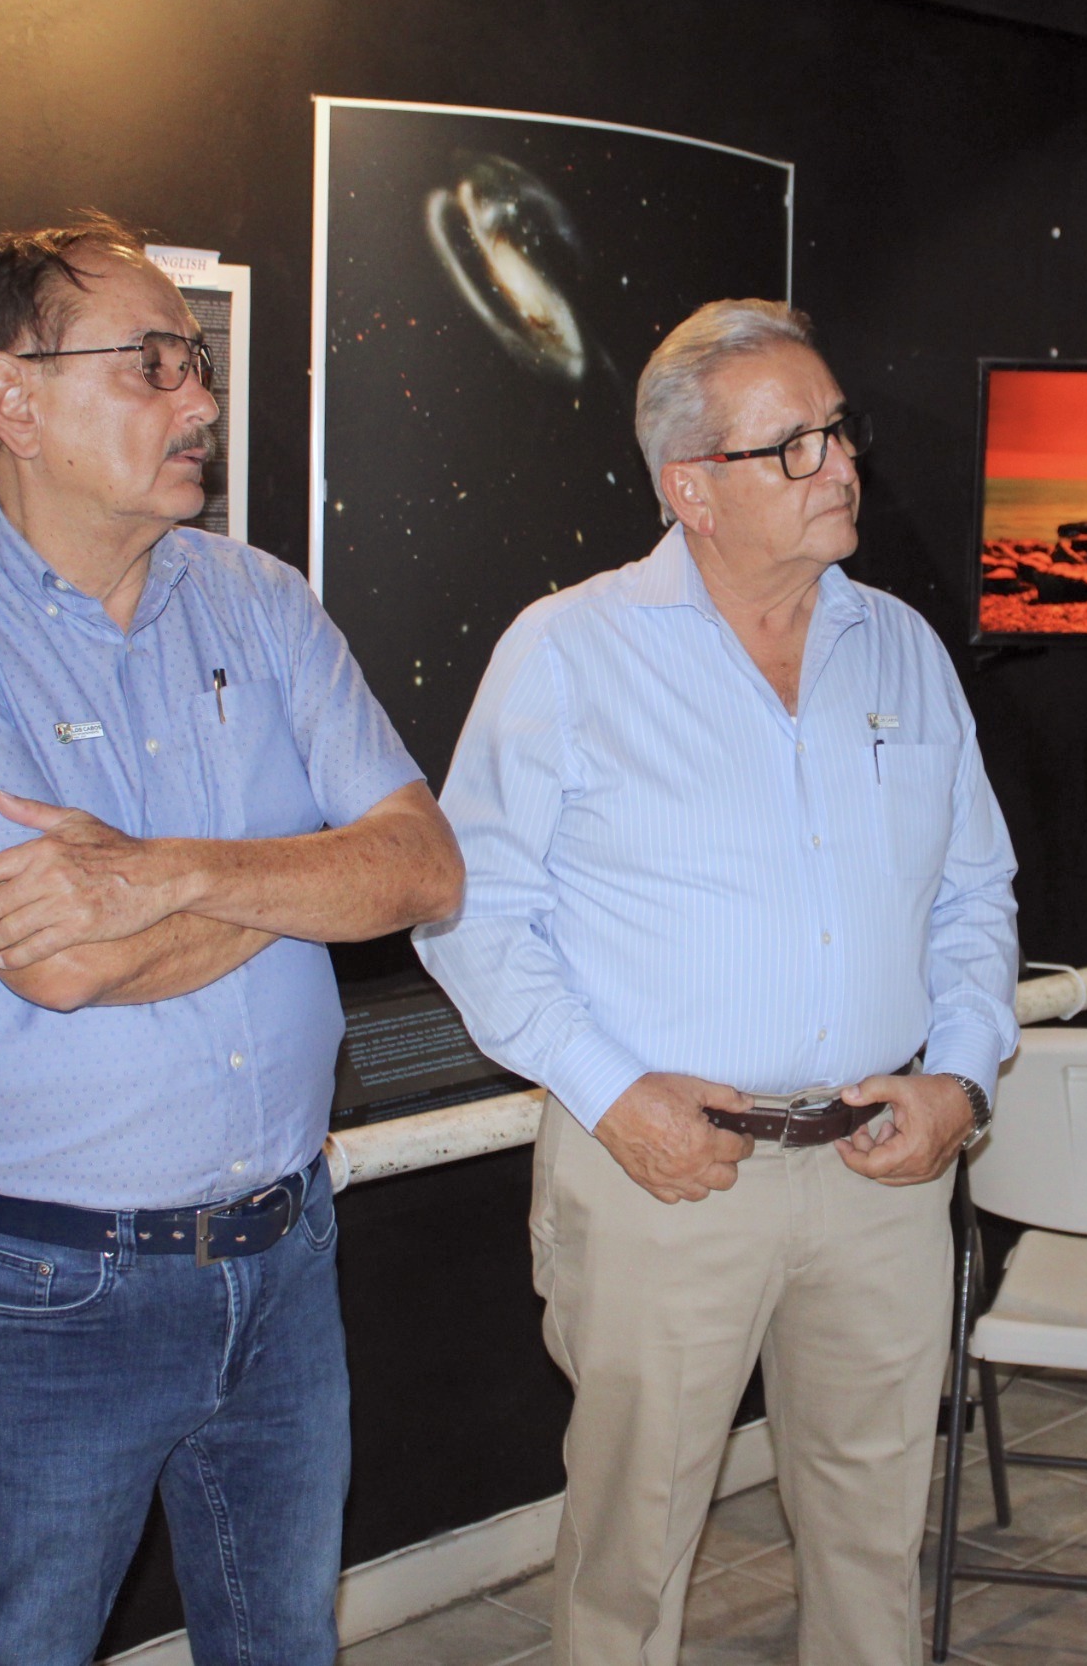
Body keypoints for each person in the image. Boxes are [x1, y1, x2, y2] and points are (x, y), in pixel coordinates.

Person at [0, 216, 463, 1666]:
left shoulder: (260, 599)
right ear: (12, 400)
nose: (203, 402)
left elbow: (419, 866)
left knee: (281, 1639)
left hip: (286, 1250)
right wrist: (299, 888)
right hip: (45, 1282)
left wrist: (158, 873)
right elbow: (63, 962)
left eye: (199, 362)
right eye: (154, 364)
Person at [419, 299, 1019, 1666]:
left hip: (880, 1170)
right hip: (662, 1172)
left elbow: (975, 893)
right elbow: (470, 913)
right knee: (632, 1549)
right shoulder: (567, 654)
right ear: (691, 487)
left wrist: (962, 1076)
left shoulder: (904, 653)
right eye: (793, 446)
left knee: (876, 1536)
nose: (842, 466)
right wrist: (613, 1093)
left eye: (839, 431)